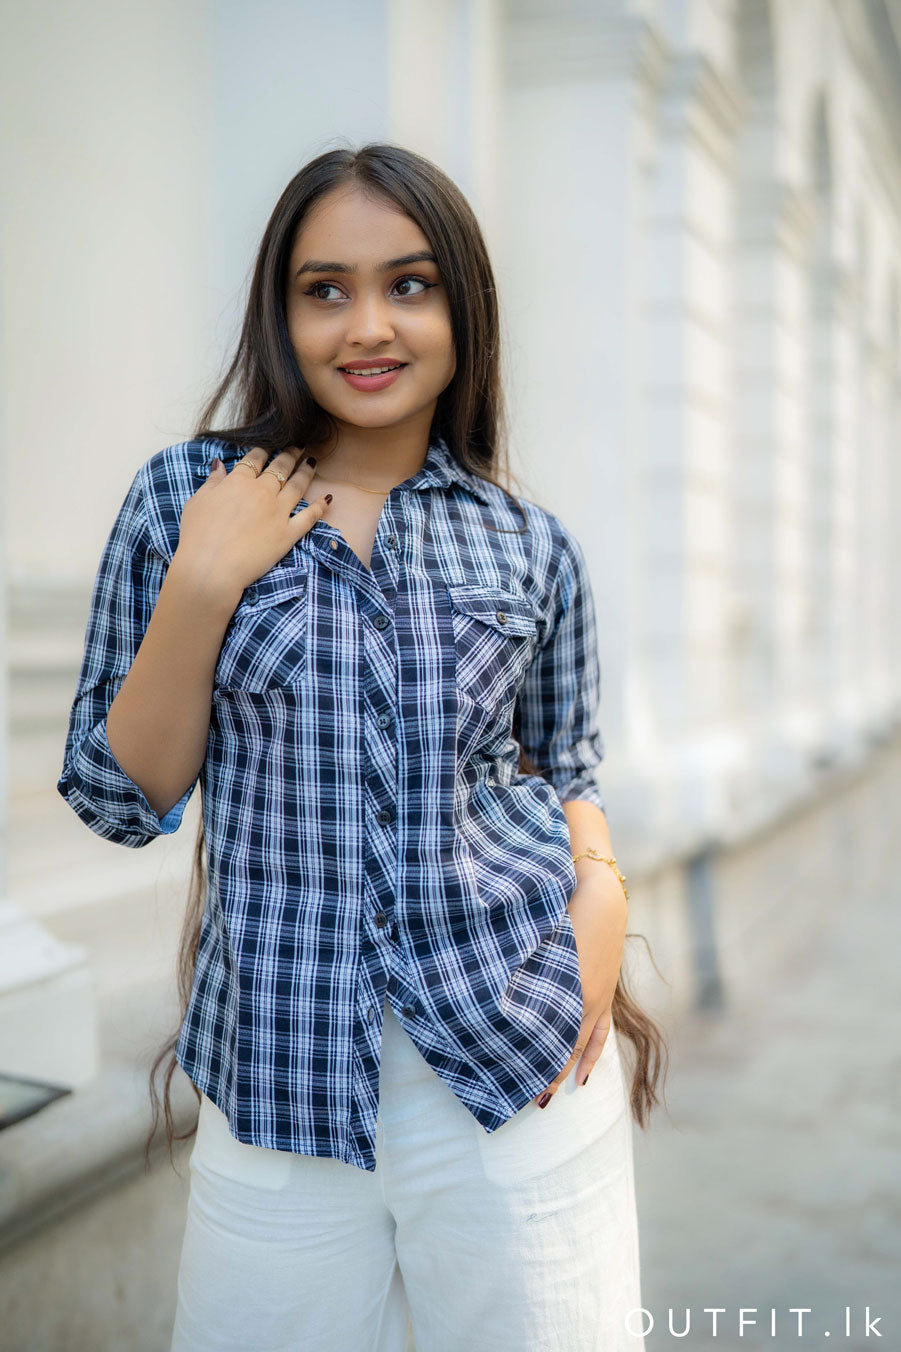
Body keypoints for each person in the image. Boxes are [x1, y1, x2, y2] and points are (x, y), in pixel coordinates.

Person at [57, 142, 667, 1352]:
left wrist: (599, 894)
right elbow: (119, 796)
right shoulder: (190, 494)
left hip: (517, 1061)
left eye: (411, 283)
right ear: (279, 311)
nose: (367, 325)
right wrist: (205, 576)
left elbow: (564, 759)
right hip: (277, 1082)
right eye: (324, 288)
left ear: (463, 310)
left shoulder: (525, 543)